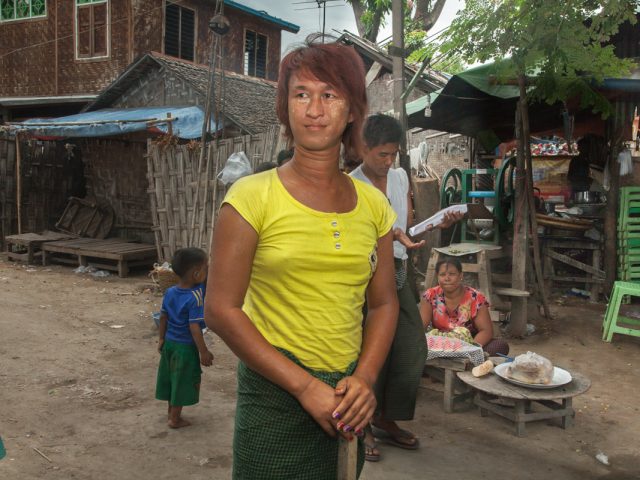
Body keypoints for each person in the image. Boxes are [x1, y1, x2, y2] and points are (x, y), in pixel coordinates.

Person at [205, 39, 398, 479]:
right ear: (286, 107)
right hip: (274, 395)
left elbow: (384, 303)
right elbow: (220, 309)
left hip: (349, 395)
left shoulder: (374, 206)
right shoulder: (251, 198)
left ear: (352, 111)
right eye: (301, 94)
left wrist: (365, 379)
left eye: (329, 95)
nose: (314, 109)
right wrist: (306, 385)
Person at [350, 113, 461, 462]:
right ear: (363, 148)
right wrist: (391, 235)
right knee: (371, 349)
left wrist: (437, 223)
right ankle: (362, 424)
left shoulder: (398, 177)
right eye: (381, 154)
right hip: (365, 274)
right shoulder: (350, 185)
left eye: (393, 155)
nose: (387, 162)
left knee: (411, 346)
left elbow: (406, 227)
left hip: (398, 268)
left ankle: (385, 416)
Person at [155, 247, 214, 428]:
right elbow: (194, 326)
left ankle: (170, 413)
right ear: (196, 273)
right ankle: (175, 419)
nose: (208, 270)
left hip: (170, 344)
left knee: (171, 377)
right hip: (185, 348)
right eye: (206, 268)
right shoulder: (195, 296)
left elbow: (163, 316)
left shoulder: (171, 291)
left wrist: (161, 339)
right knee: (182, 380)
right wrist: (203, 351)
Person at [420, 257, 509, 356]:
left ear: (461, 276)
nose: (447, 278)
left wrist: (469, 350)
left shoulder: (475, 297)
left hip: (469, 342)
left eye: (452, 274)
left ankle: (467, 363)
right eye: (442, 275)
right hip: (440, 343)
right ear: (438, 277)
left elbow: (486, 331)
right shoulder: (430, 295)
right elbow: (420, 327)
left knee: (499, 346)